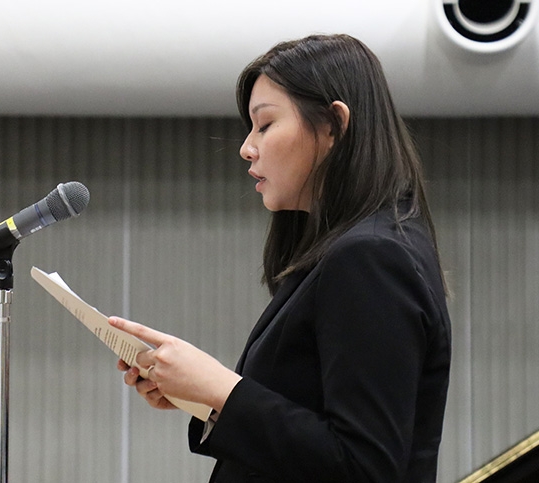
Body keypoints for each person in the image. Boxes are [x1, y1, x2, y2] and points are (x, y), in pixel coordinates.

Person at [108, 33, 451, 482]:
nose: (246, 147)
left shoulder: (371, 256)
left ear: (333, 126)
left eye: (265, 125)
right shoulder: (353, 249)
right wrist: (204, 397)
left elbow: (364, 468)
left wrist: (222, 389)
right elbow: (307, 429)